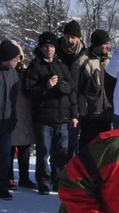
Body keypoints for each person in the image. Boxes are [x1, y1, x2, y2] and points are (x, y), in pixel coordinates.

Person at [23, 31, 78, 194]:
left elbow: (72, 91)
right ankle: (43, 181)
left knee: (61, 152)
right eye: (46, 46)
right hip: (43, 118)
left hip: (63, 117)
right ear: (41, 48)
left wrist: (74, 114)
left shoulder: (61, 66)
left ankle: (58, 180)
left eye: (52, 46)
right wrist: (45, 86)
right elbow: (28, 91)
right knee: (43, 153)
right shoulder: (35, 66)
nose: (49, 49)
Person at [71, 29, 113, 147]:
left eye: (108, 43)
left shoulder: (110, 60)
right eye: (105, 44)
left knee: (104, 147)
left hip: (107, 112)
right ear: (97, 44)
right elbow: (74, 88)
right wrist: (75, 112)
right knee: (88, 147)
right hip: (89, 113)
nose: (107, 47)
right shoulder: (82, 61)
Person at [57, 20, 86, 159]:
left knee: (73, 139)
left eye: (73, 37)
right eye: (67, 36)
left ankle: (71, 169)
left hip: (77, 101)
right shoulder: (55, 51)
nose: (70, 40)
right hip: (58, 100)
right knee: (60, 142)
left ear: (79, 38)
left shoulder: (84, 54)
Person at [10, 41, 35, 189]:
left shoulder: (27, 73)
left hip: (25, 114)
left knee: (25, 148)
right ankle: (9, 177)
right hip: (9, 114)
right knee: (9, 149)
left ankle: (24, 177)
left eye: (19, 56)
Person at [0, 39, 21, 200]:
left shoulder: (14, 72)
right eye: (15, 58)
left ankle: (2, 187)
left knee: (5, 157)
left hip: (7, 122)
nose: (18, 61)